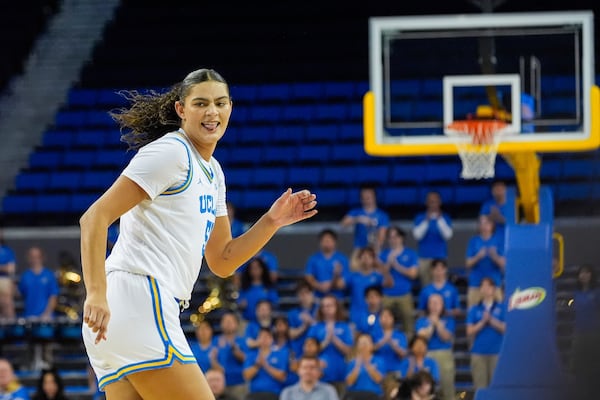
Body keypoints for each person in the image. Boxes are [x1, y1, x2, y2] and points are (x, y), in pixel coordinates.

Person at [79, 68, 318, 400]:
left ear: (231, 108)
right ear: (181, 109)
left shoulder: (213, 172)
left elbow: (222, 261)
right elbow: (94, 218)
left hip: (126, 314)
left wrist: (271, 222)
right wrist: (95, 293)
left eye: (220, 103)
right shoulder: (172, 152)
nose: (212, 112)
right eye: (201, 103)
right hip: (139, 297)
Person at [307, 294, 354, 396]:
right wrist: (326, 341)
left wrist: (335, 339)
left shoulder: (345, 326)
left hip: (340, 374)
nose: (326, 309)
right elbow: (309, 351)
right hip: (319, 375)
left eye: (330, 305)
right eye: (324, 306)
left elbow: (349, 351)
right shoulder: (315, 327)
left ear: (336, 307)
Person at [466, 277, 506, 391]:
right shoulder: (474, 309)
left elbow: (506, 328)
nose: (486, 289)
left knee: (497, 388)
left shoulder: (502, 307)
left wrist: (492, 321)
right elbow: (469, 331)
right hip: (478, 352)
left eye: (489, 286)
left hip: (497, 352)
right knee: (480, 388)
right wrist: (482, 322)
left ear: (493, 289)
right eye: (483, 286)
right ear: (480, 290)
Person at [379, 226, 419, 339]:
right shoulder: (383, 254)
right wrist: (388, 264)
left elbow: (413, 274)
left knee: (408, 323)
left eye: (396, 237)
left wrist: (397, 265)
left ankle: (410, 346)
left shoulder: (411, 254)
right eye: (391, 237)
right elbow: (379, 274)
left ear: (402, 238)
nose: (393, 239)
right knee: (382, 322)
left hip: (404, 293)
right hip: (387, 294)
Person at [415, 294, 455, 400]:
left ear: (442, 305)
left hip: (444, 354)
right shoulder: (421, 321)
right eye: (432, 303)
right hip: (426, 355)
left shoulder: (449, 320)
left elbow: (446, 337)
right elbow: (421, 338)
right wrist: (432, 324)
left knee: (447, 386)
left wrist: (438, 324)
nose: (434, 306)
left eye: (437, 303)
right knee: (426, 387)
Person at [341, 185, 390, 270]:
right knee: (354, 268)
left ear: (374, 197)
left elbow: (382, 235)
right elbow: (343, 224)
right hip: (359, 249)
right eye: (364, 197)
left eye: (369, 197)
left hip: (374, 248)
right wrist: (358, 219)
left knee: (379, 271)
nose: (367, 199)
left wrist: (376, 249)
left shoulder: (382, 215)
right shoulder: (356, 212)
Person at [569, 264, 600, 399]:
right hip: (579, 333)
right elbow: (569, 306)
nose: (584, 275)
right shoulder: (575, 294)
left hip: (594, 334)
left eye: (587, 272)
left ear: (591, 275)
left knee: (594, 366)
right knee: (577, 368)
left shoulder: (597, 292)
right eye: (582, 273)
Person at [411, 191, 453, 289]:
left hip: (440, 257)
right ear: (427, 203)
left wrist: (439, 220)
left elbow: (448, 235)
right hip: (424, 258)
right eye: (431, 202)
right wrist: (427, 220)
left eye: (435, 201)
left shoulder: (445, 218)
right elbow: (417, 236)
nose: (433, 204)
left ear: (439, 203)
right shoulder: (420, 217)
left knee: (440, 285)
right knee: (426, 287)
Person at [465, 215, 505, 309]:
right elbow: (468, 264)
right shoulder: (473, 241)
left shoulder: (499, 240)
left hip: (494, 284)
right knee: (472, 314)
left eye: (486, 223)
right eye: (481, 223)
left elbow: (503, 264)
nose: (484, 226)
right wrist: (478, 256)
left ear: (492, 225)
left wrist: (494, 256)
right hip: (476, 284)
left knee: (498, 314)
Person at [242, 327, 289, 400]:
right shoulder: (251, 355)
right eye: (261, 336)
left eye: (267, 336)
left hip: (274, 394)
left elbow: (282, 376)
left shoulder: (281, 353)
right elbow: (246, 376)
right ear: (257, 339)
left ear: (272, 339)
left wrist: (265, 365)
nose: (264, 339)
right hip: (254, 394)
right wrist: (257, 365)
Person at [304, 228, 350, 300]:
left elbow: (343, 283)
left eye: (329, 241)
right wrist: (319, 286)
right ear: (320, 242)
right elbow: (308, 277)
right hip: (318, 298)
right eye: (324, 241)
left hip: (337, 298)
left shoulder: (342, 259)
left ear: (335, 242)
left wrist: (331, 284)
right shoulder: (313, 259)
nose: (326, 243)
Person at [17, 246, 59, 320]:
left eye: (37, 257)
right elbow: (19, 293)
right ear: (28, 258)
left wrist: (46, 314)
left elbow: (53, 297)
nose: (35, 260)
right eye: (32, 257)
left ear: (42, 257)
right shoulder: (25, 276)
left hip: (46, 318)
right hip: (29, 317)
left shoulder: (49, 275)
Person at [236, 257, 279, 323]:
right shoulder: (244, 288)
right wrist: (241, 305)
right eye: (252, 268)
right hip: (247, 321)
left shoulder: (268, 287)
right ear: (249, 270)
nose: (255, 270)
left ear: (262, 269)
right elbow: (239, 303)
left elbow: (275, 303)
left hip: (265, 322)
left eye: (257, 267)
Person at [344, 332, 385, 400]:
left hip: (373, 395)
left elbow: (379, 379)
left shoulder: (379, 361)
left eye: (365, 343)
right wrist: (357, 365)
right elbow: (349, 382)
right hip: (355, 394)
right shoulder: (352, 362)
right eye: (361, 343)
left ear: (371, 346)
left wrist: (367, 363)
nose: (363, 346)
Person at [479, 180, 508, 252]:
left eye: (501, 189)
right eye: (496, 189)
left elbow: (514, 223)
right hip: (492, 240)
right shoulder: (487, 205)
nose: (499, 192)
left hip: (508, 239)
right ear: (492, 191)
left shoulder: (512, 205)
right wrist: (491, 217)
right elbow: (482, 222)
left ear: (505, 190)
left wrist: (498, 218)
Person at [0, 231, 16, 319]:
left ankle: (11, 323)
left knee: (7, 302)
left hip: (4, 280)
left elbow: (11, 269)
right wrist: (3, 267)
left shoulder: (7, 251)